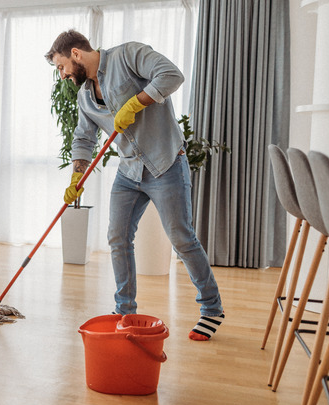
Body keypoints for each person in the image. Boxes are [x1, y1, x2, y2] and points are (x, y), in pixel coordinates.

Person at [45, 30, 224, 341]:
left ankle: (211, 308)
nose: (62, 76)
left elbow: (171, 75)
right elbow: (84, 138)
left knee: (182, 238)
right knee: (118, 237)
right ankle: (124, 310)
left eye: (61, 67)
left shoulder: (127, 55)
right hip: (129, 171)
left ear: (75, 54)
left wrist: (136, 103)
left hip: (165, 162)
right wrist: (77, 174)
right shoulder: (85, 95)